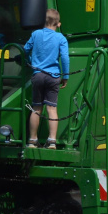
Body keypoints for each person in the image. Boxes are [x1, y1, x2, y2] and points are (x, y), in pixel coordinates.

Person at [24, 8, 69, 149]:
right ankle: (52, 141)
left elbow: (25, 49)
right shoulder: (61, 38)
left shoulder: (36, 34)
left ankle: (32, 140)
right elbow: (65, 58)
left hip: (38, 75)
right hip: (53, 76)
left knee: (36, 108)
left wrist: (30, 60)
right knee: (51, 108)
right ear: (59, 24)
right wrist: (65, 76)